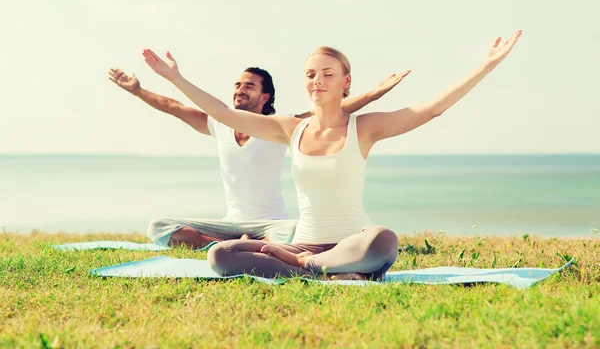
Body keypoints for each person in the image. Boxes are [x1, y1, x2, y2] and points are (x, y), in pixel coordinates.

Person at [142, 29, 521, 279]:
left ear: (346, 82)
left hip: (349, 239)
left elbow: (432, 108)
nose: (317, 81)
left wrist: (484, 67)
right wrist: (175, 78)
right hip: (301, 242)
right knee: (220, 256)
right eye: (310, 74)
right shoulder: (291, 128)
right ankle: (323, 268)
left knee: (382, 240)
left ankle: (308, 266)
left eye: (327, 74)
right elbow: (223, 114)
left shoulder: (365, 127)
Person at [108, 64, 408, 249]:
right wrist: (137, 90)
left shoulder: (285, 128)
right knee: (157, 226)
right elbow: (171, 106)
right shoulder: (218, 123)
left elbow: (337, 110)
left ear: (265, 98)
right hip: (229, 225)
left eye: (249, 86)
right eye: (237, 84)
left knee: (294, 232)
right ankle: (227, 246)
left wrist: (375, 92)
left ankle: (241, 246)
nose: (240, 89)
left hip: (272, 226)